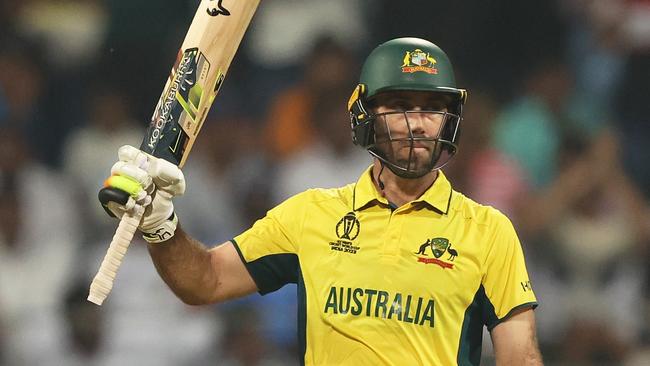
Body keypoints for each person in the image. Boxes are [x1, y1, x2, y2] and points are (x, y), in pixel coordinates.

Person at [101, 37, 543, 365]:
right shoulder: (310, 214)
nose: (416, 124)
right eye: (400, 105)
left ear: (451, 118)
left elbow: (519, 358)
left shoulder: (488, 231)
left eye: (431, 107)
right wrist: (161, 225)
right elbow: (206, 282)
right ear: (365, 115)